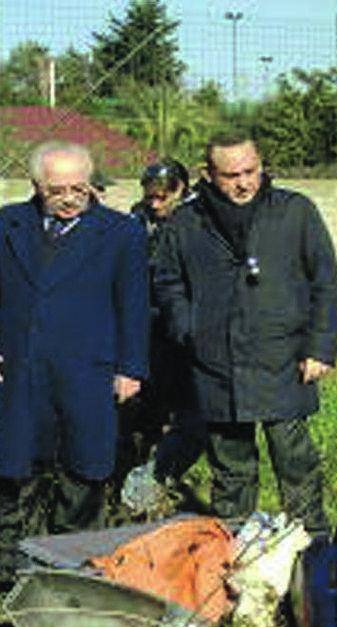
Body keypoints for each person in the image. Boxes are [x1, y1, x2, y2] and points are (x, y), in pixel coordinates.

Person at [0, 140, 149, 590]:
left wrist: (131, 368)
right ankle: (7, 563)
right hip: (19, 365)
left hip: (88, 367)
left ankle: (73, 563)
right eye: (57, 190)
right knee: (14, 465)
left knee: (84, 466)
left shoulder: (121, 232)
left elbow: (134, 305)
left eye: (78, 189)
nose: (68, 198)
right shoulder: (5, 225)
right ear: (36, 186)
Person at [154, 133, 337, 534]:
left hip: (283, 359)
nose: (244, 183)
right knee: (230, 465)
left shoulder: (295, 211)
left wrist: (321, 347)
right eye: (231, 175)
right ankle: (233, 546)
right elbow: (168, 281)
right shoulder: (186, 222)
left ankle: (311, 544)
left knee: (295, 461)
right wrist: (188, 329)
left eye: (251, 171)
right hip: (216, 363)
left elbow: (325, 280)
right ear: (208, 174)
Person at [124, 158, 206, 488]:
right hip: (148, 326)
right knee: (145, 410)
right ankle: (137, 478)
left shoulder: (197, 219)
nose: (155, 203)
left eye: (163, 196)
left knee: (190, 413)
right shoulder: (139, 219)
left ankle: (166, 474)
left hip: (186, 325)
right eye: (150, 196)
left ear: (180, 189)